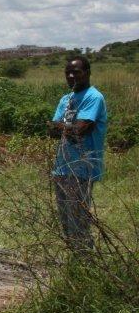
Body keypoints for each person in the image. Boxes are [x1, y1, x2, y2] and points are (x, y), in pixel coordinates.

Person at [47, 56, 107, 249]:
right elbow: (52, 131)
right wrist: (70, 128)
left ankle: (86, 264)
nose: (71, 76)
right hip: (62, 168)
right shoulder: (66, 99)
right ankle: (75, 262)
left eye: (76, 72)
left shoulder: (93, 97)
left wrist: (64, 127)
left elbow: (79, 131)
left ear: (87, 73)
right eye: (68, 73)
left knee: (78, 222)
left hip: (82, 168)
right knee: (65, 221)